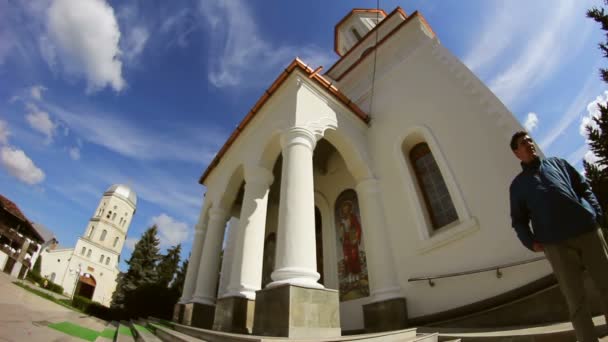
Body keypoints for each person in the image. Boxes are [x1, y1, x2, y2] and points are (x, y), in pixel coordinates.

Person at [509, 131, 608, 342]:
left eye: (529, 140)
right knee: (576, 301)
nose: (528, 144)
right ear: (517, 153)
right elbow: (518, 220)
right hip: (556, 245)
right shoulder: (517, 186)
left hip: (587, 231)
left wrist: (595, 212)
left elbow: (583, 187)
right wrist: (530, 241)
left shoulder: (558, 164)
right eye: (522, 143)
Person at [339, 201, 362, 284]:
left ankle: (356, 276)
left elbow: (358, 227)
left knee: (354, 256)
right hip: (346, 241)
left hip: (352, 239)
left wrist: (357, 237)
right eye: (344, 209)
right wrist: (341, 236)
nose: (345, 210)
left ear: (349, 209)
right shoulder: (342, 219)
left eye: (347, 208)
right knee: (347, 257)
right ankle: (350, 276)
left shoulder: (353, 217)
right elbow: (341, 231)